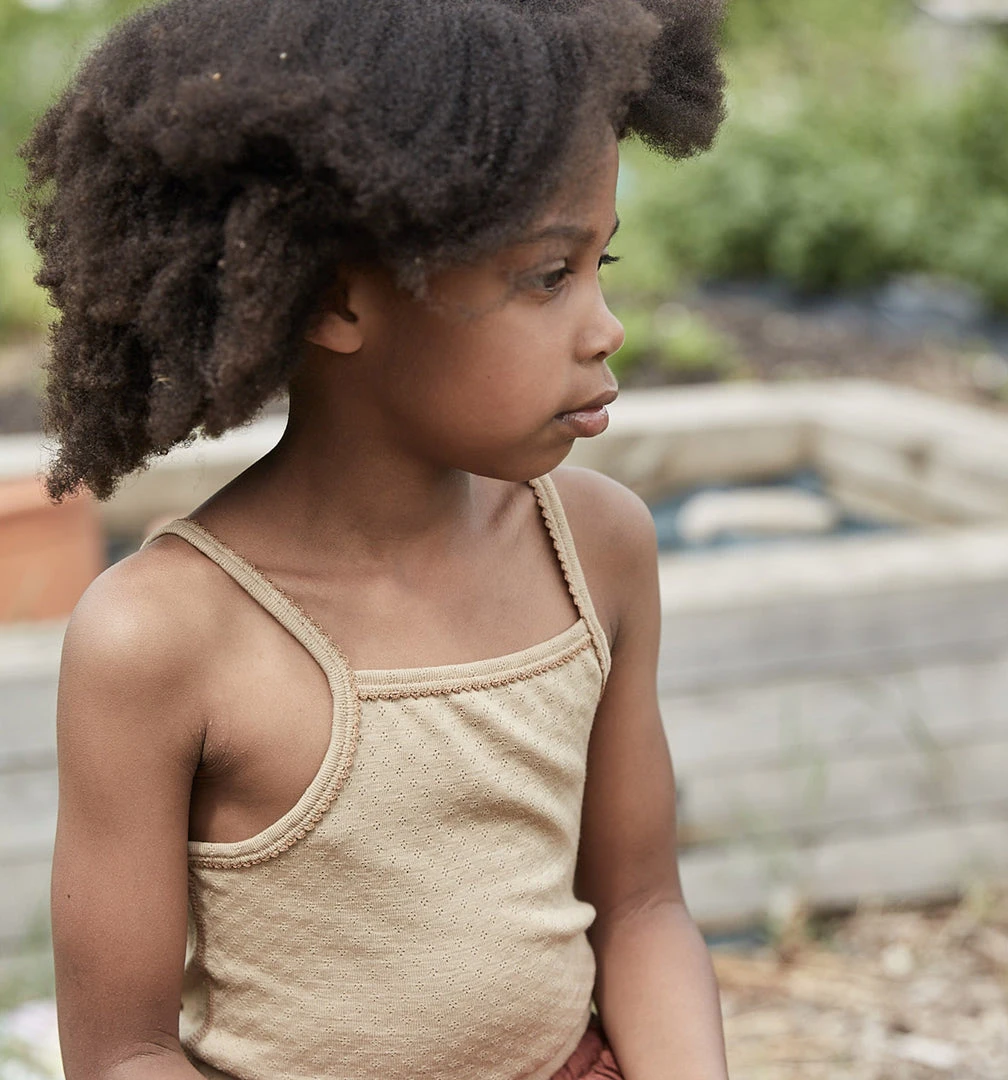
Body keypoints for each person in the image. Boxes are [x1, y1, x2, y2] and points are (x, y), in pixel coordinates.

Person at [22, 0, 729, 1077]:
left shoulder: (597, 552)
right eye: (546, 275)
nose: (605, 326)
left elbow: (639, 906)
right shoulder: (163, 637)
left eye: (603, 268)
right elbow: (124, 1053)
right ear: (338, 300)